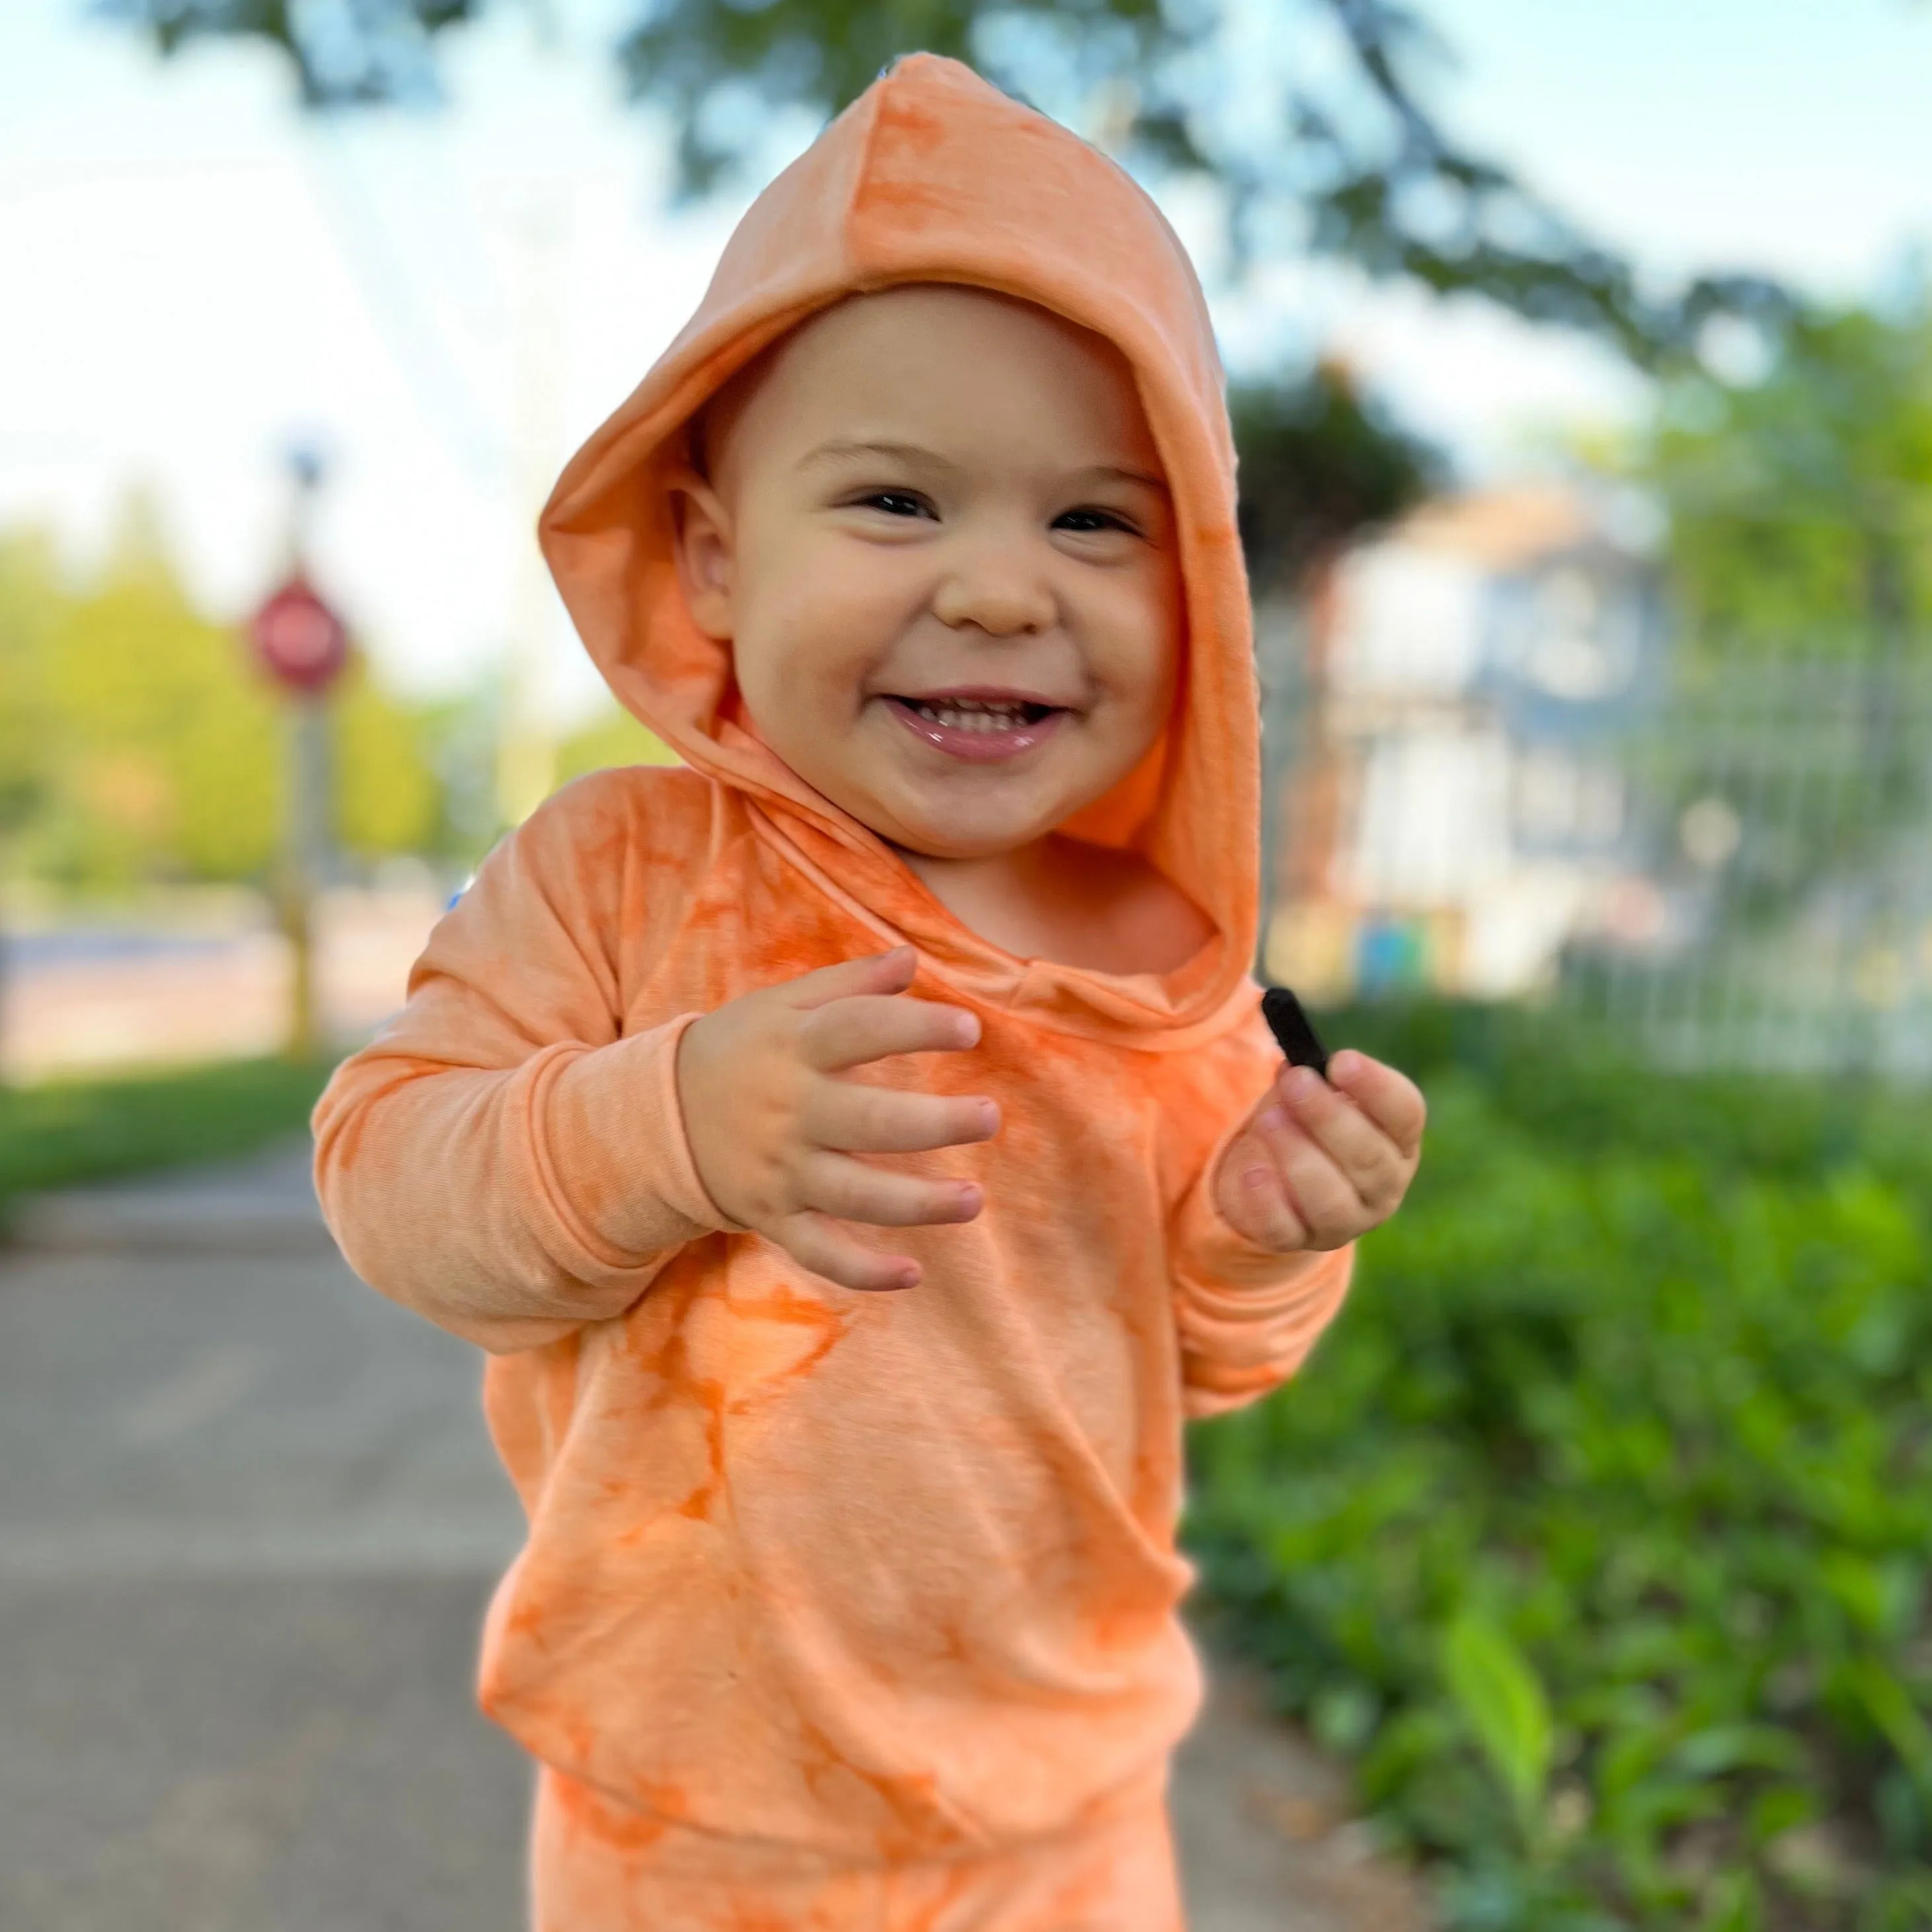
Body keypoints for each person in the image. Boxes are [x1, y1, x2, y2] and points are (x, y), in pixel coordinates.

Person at [313, 50, 1424, 1932]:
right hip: (690, 1818)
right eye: (899, 503)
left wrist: (1258, 1246)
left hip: (1062, 1812)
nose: (1001, 590)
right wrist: (664, 1123)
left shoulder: (1173, 962)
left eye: (1095, 522)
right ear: (719, 559)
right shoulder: (619, 877)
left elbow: (1213, 1372)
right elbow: (391, 1189)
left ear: (1205, 595)